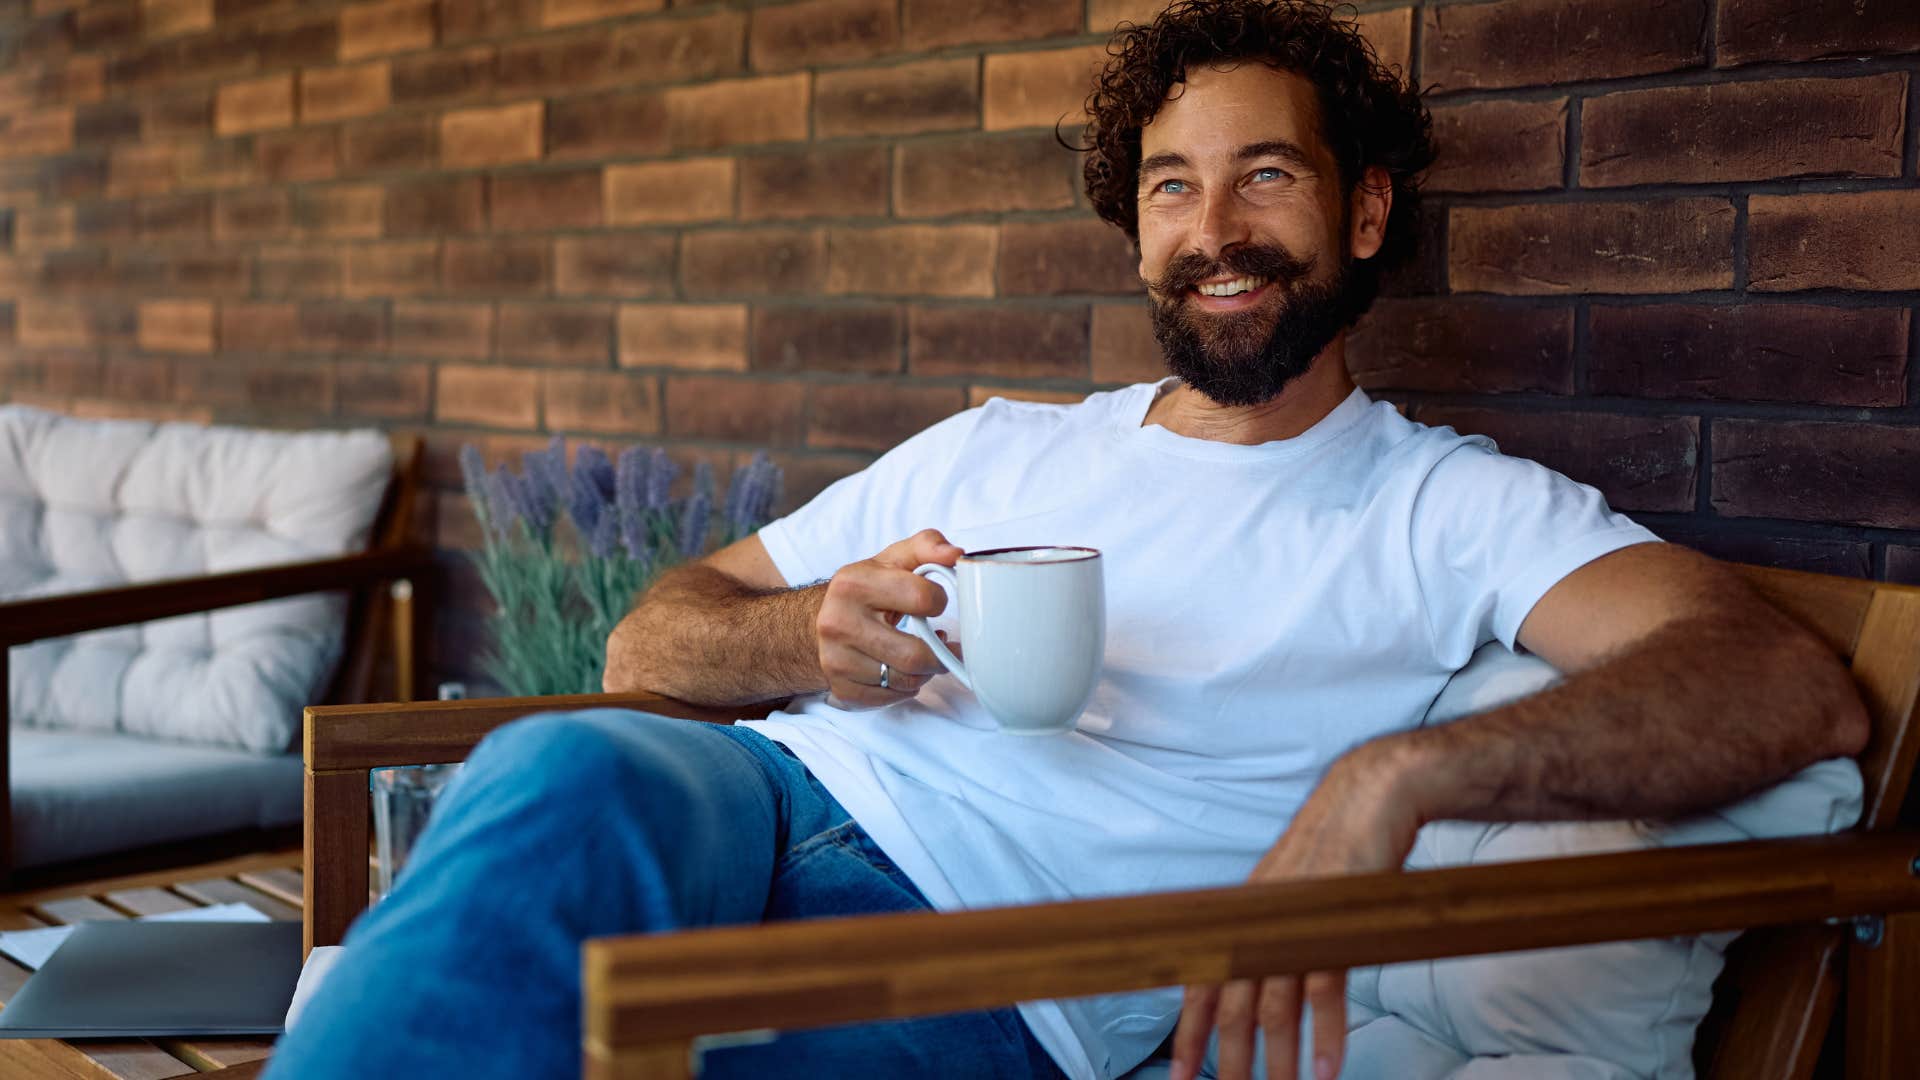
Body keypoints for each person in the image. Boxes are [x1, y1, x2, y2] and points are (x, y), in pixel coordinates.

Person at [265, 2, 1869, 1079]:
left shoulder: (1445, 502)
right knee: (556, 764)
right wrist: (796, 632)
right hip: (762, 794)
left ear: (1364, 211)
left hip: (996, 965)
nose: (1214, 229)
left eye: (1265, 176)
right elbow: (653, 637)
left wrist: (1391, 780)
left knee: (629, 1042)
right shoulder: (1007, 439)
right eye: (1172, 189)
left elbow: (1783, 690)